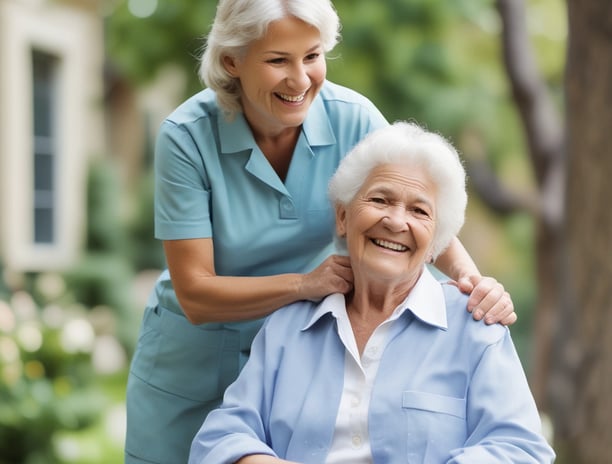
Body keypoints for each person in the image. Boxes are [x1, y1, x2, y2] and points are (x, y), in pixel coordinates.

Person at [125, 1, 517, 463]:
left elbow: (415, 207)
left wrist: (474, 289)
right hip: (195, 359)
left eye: (311, 56)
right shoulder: (187, 136)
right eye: (277, 60)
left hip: (302, 350)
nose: (300, 78)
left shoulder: (353, 118)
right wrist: (305, 286)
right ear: (232, 61)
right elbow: (195, 293)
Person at [189, 121, 555, 464]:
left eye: (419, 210)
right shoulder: (288, 326)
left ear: (436, 243)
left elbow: (520, 450)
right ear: (343, 218)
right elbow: (222, 435)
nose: (396, 222)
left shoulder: (476, 327)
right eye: (380, 200)